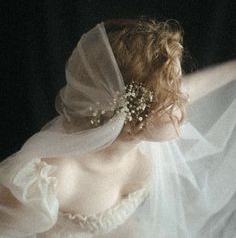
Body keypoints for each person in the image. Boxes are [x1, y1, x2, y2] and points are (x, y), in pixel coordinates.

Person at [0, 18, 235, 238]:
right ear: (133, 111)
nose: (184, 101)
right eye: (172, 97)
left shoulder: (142, 131)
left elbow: (197, 86)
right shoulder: (54, 179)